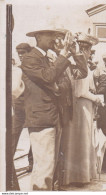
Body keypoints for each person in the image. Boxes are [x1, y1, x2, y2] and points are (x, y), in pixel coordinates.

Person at [21, 29, 74, 190]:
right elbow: (49, 77)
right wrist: (64, 55)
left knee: (48, 166)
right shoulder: (30, 58)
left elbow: (58, 81)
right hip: (42, 119)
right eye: (50, 35)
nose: (54, 38)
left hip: (51, 117)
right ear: (38, 37)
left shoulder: (46, 58)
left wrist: (57, 88)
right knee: (44, 168)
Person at [59, 32, 101, 186]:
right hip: (81, 107)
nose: (90, 53)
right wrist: (97, 99)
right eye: (89, 50)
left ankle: (76, 175)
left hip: (81, 106)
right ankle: (78, 176)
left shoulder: (76, 65)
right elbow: (80, 92)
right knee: (80, 140)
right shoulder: (78, 66)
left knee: (77, 140)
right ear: (85, 50)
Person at [10, 43, 32, 191]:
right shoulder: (17, 69)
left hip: (31, 109)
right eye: (19, 53)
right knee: (11, 140)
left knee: (36, 139)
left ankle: (32, 162)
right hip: (18, 110)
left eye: (23, 52)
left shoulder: (32, 68)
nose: (21, 55)